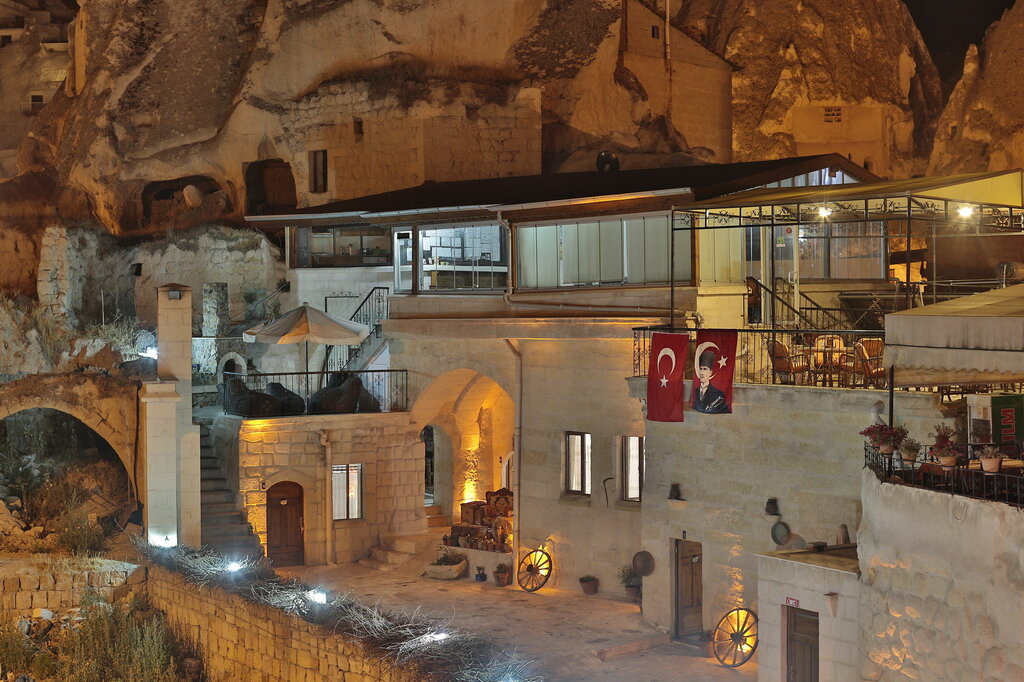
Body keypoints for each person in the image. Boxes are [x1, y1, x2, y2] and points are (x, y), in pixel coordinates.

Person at [693, 349, 730, 414]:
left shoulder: (719, 394)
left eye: (705, 369)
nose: (702, 372)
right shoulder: (694, 392)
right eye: (700, 369)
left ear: (710, 373)